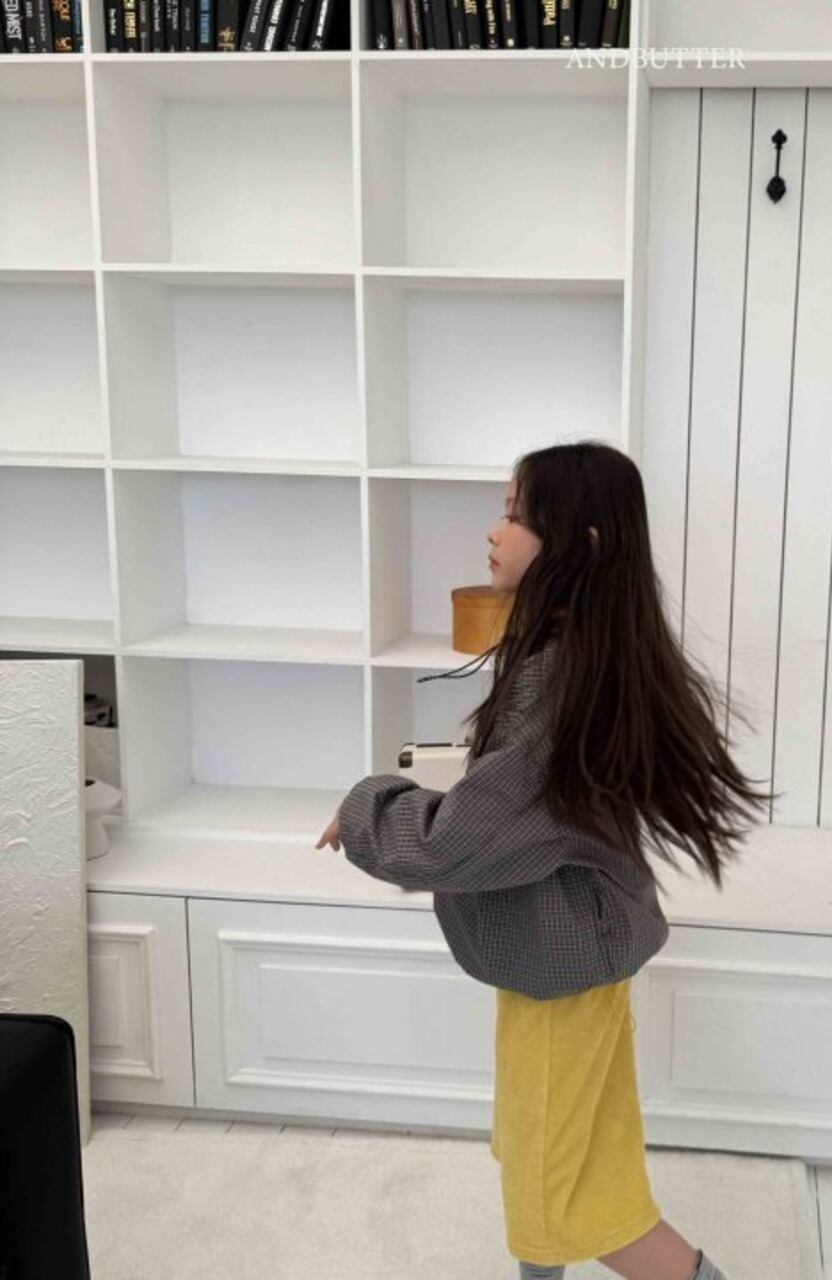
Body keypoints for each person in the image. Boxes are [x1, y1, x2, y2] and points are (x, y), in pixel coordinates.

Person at [315, 441, 778, 1280]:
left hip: (561, 974)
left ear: (580, 543)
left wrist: (366, 810)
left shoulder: (559, 679)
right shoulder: (584, 659)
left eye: (517, 516)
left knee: (554, 1199)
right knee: (571, 1178)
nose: (494, 533)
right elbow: (515, 809)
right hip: (567, 959)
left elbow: (460, 841)